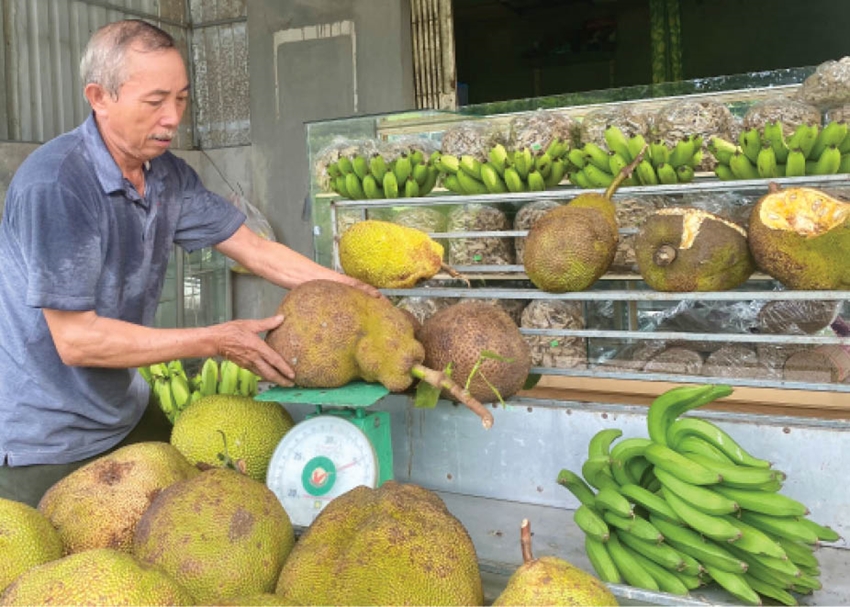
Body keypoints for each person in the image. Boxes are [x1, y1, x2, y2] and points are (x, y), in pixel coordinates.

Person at [0, 19, 378, 507]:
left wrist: (357, 294)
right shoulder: (57, 185)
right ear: (99, 97)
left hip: (123, 412)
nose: (172, 118)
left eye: (181, 99)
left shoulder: (168, 177)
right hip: (45, 434)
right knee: (47, 578)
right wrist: (213, 339)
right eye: (155, 101)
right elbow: (76, 340)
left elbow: (257, 250)